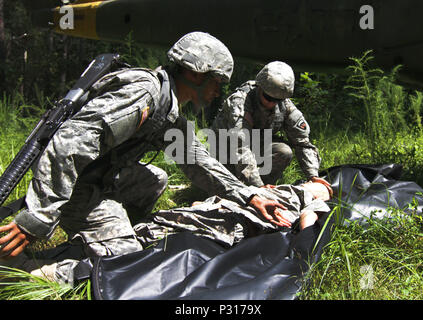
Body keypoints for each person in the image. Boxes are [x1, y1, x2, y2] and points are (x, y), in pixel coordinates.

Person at [0, 32, 288, 285]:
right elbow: (70, 144)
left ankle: (109, 235)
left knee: (156, 180)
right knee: (129, 261)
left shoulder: (166, 104)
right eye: (216, 82)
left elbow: (197, 160)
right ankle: (27, 272)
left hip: (103, 175)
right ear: (196, 74)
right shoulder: (145, 94)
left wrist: (248, 194)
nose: (217, 92)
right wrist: (37, 218)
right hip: (79, 185)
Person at [212, 61, 330, 190]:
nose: (272, 104)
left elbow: (302, 143)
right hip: (224, 150)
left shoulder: (286, 106)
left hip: (254, 145)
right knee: (223, 187)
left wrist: (313, 175)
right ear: (259, 87)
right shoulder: (240, 102)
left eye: (277, 100)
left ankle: (265, 186)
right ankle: (252, 187)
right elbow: (241, 147)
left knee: (284, 152)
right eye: (268, 98)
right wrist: (257, 186)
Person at [135, 179, 333, 248]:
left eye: (314, 184)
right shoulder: (278, 189)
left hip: (239, 220)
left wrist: (306, 244)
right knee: (168, 220)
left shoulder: (312, 200)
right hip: (224, 208)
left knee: (163, 230)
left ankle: (121, 246)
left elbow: (310, 217)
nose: (307, 183)